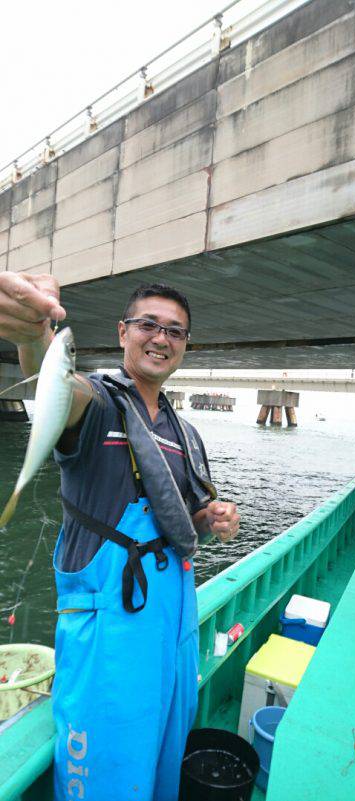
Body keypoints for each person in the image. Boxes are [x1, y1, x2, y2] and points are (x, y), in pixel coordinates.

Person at [0, 271, 240, 801]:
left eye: (174, 331)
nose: (161, 337)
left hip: (173, 614)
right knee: (107, 764)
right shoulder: (99, 402)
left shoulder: (186, 432)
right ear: (122, 332)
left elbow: (187, 511)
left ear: (185, 346)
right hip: (110, 615)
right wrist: (32, 337)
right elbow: (57, 381)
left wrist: (213, 518)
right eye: (148, 324)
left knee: (164, 747)